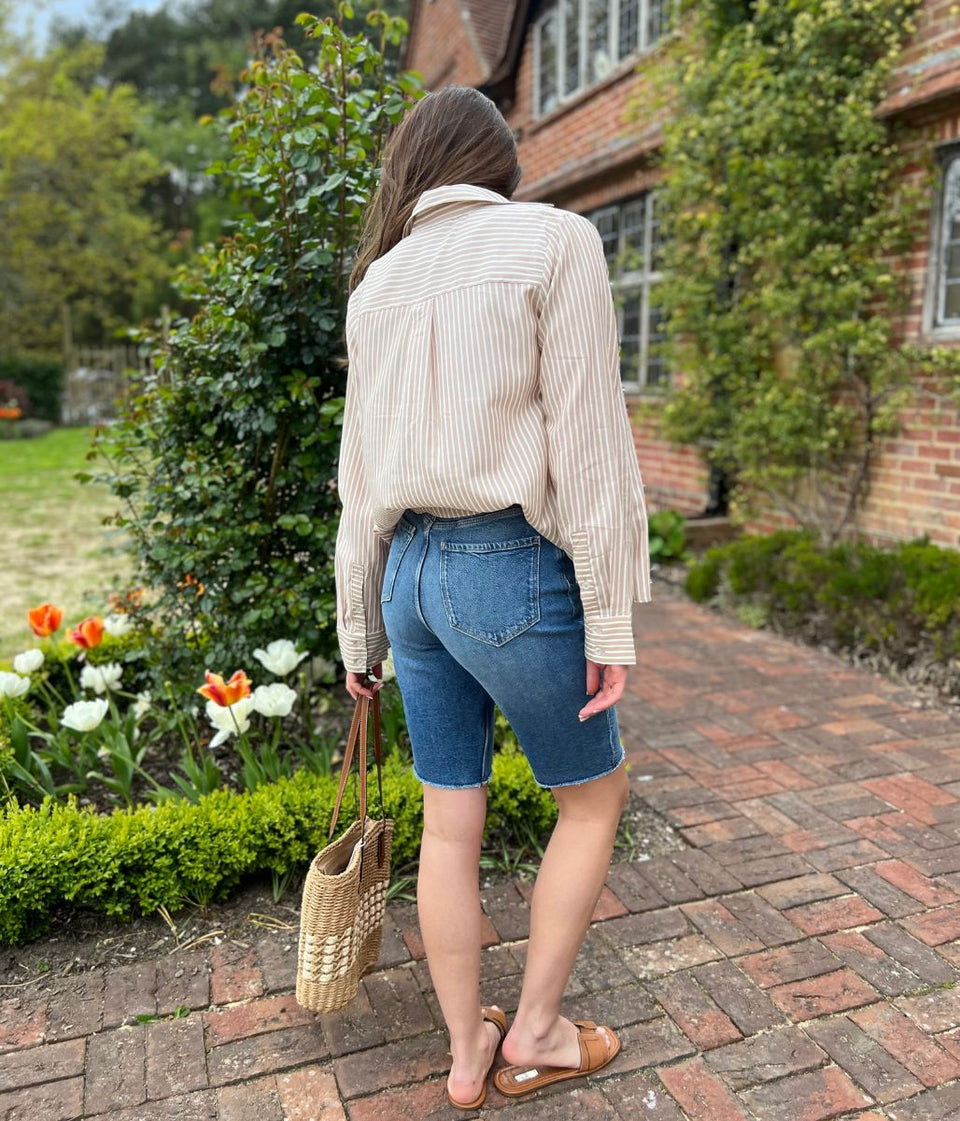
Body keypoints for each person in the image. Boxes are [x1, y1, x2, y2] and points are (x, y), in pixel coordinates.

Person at [333, 84, 651, 1109]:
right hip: (506, 564)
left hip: (408, 576)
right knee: (592, 795)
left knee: (449, 816)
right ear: (500, 168)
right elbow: (589, 444)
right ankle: (540, 1031)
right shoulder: (553, 242)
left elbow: (358, 481)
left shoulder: (377, 284)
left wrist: (357, 632)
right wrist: (610, 616)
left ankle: (468, 1056)